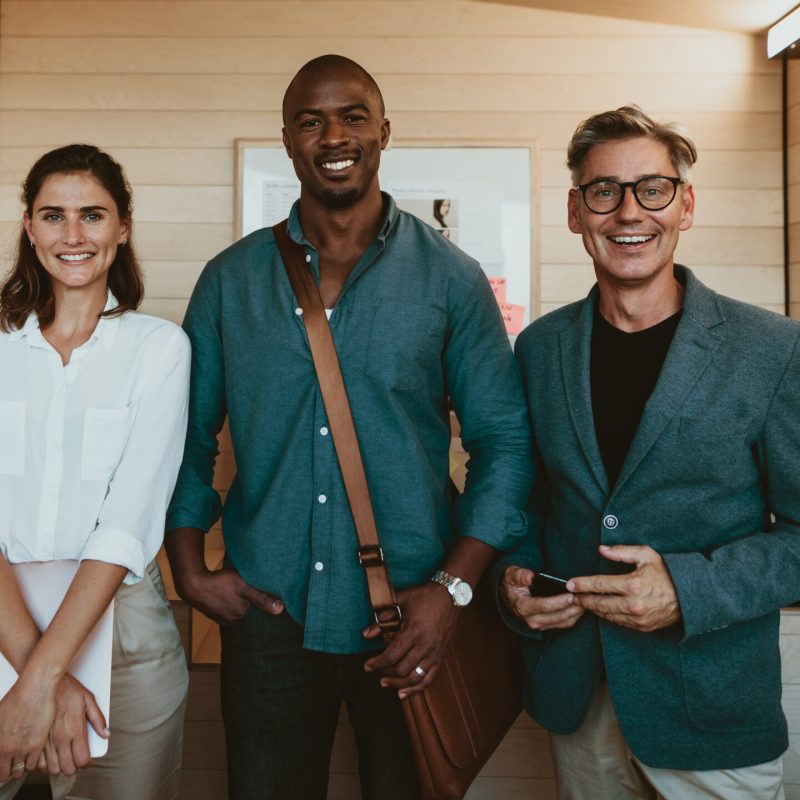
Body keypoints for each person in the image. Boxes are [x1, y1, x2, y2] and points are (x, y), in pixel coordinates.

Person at [165, 54, 532, 800]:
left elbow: (505, 444)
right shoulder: (228, 282)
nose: (333, 134)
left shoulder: (452, 280)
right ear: (288, 141)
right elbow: (186, 443)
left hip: (411, 621)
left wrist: (453, 592)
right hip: (268, 621)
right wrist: (188, 569)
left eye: (352, 115)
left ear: (384, 131)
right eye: (311, 120)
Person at [499, 105, 800, 800]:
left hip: (712, 714)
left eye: (652, 188)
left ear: (685, 204)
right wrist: (512, 585)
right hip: (577, 703)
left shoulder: (773, 350)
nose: (629, 211)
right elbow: (530, 507)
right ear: (577, 212)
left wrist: (686, 590)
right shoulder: (540, 350)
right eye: (604, 191)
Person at [0, 145, 190, 800]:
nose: (73, 235)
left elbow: (127, 524)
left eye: (93, 215)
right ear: (28, 226)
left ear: (123, 225)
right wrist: (38, 675)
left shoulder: (158, 350)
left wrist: (38, 680)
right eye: (54, 215)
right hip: (2, 613)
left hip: (126, 632)